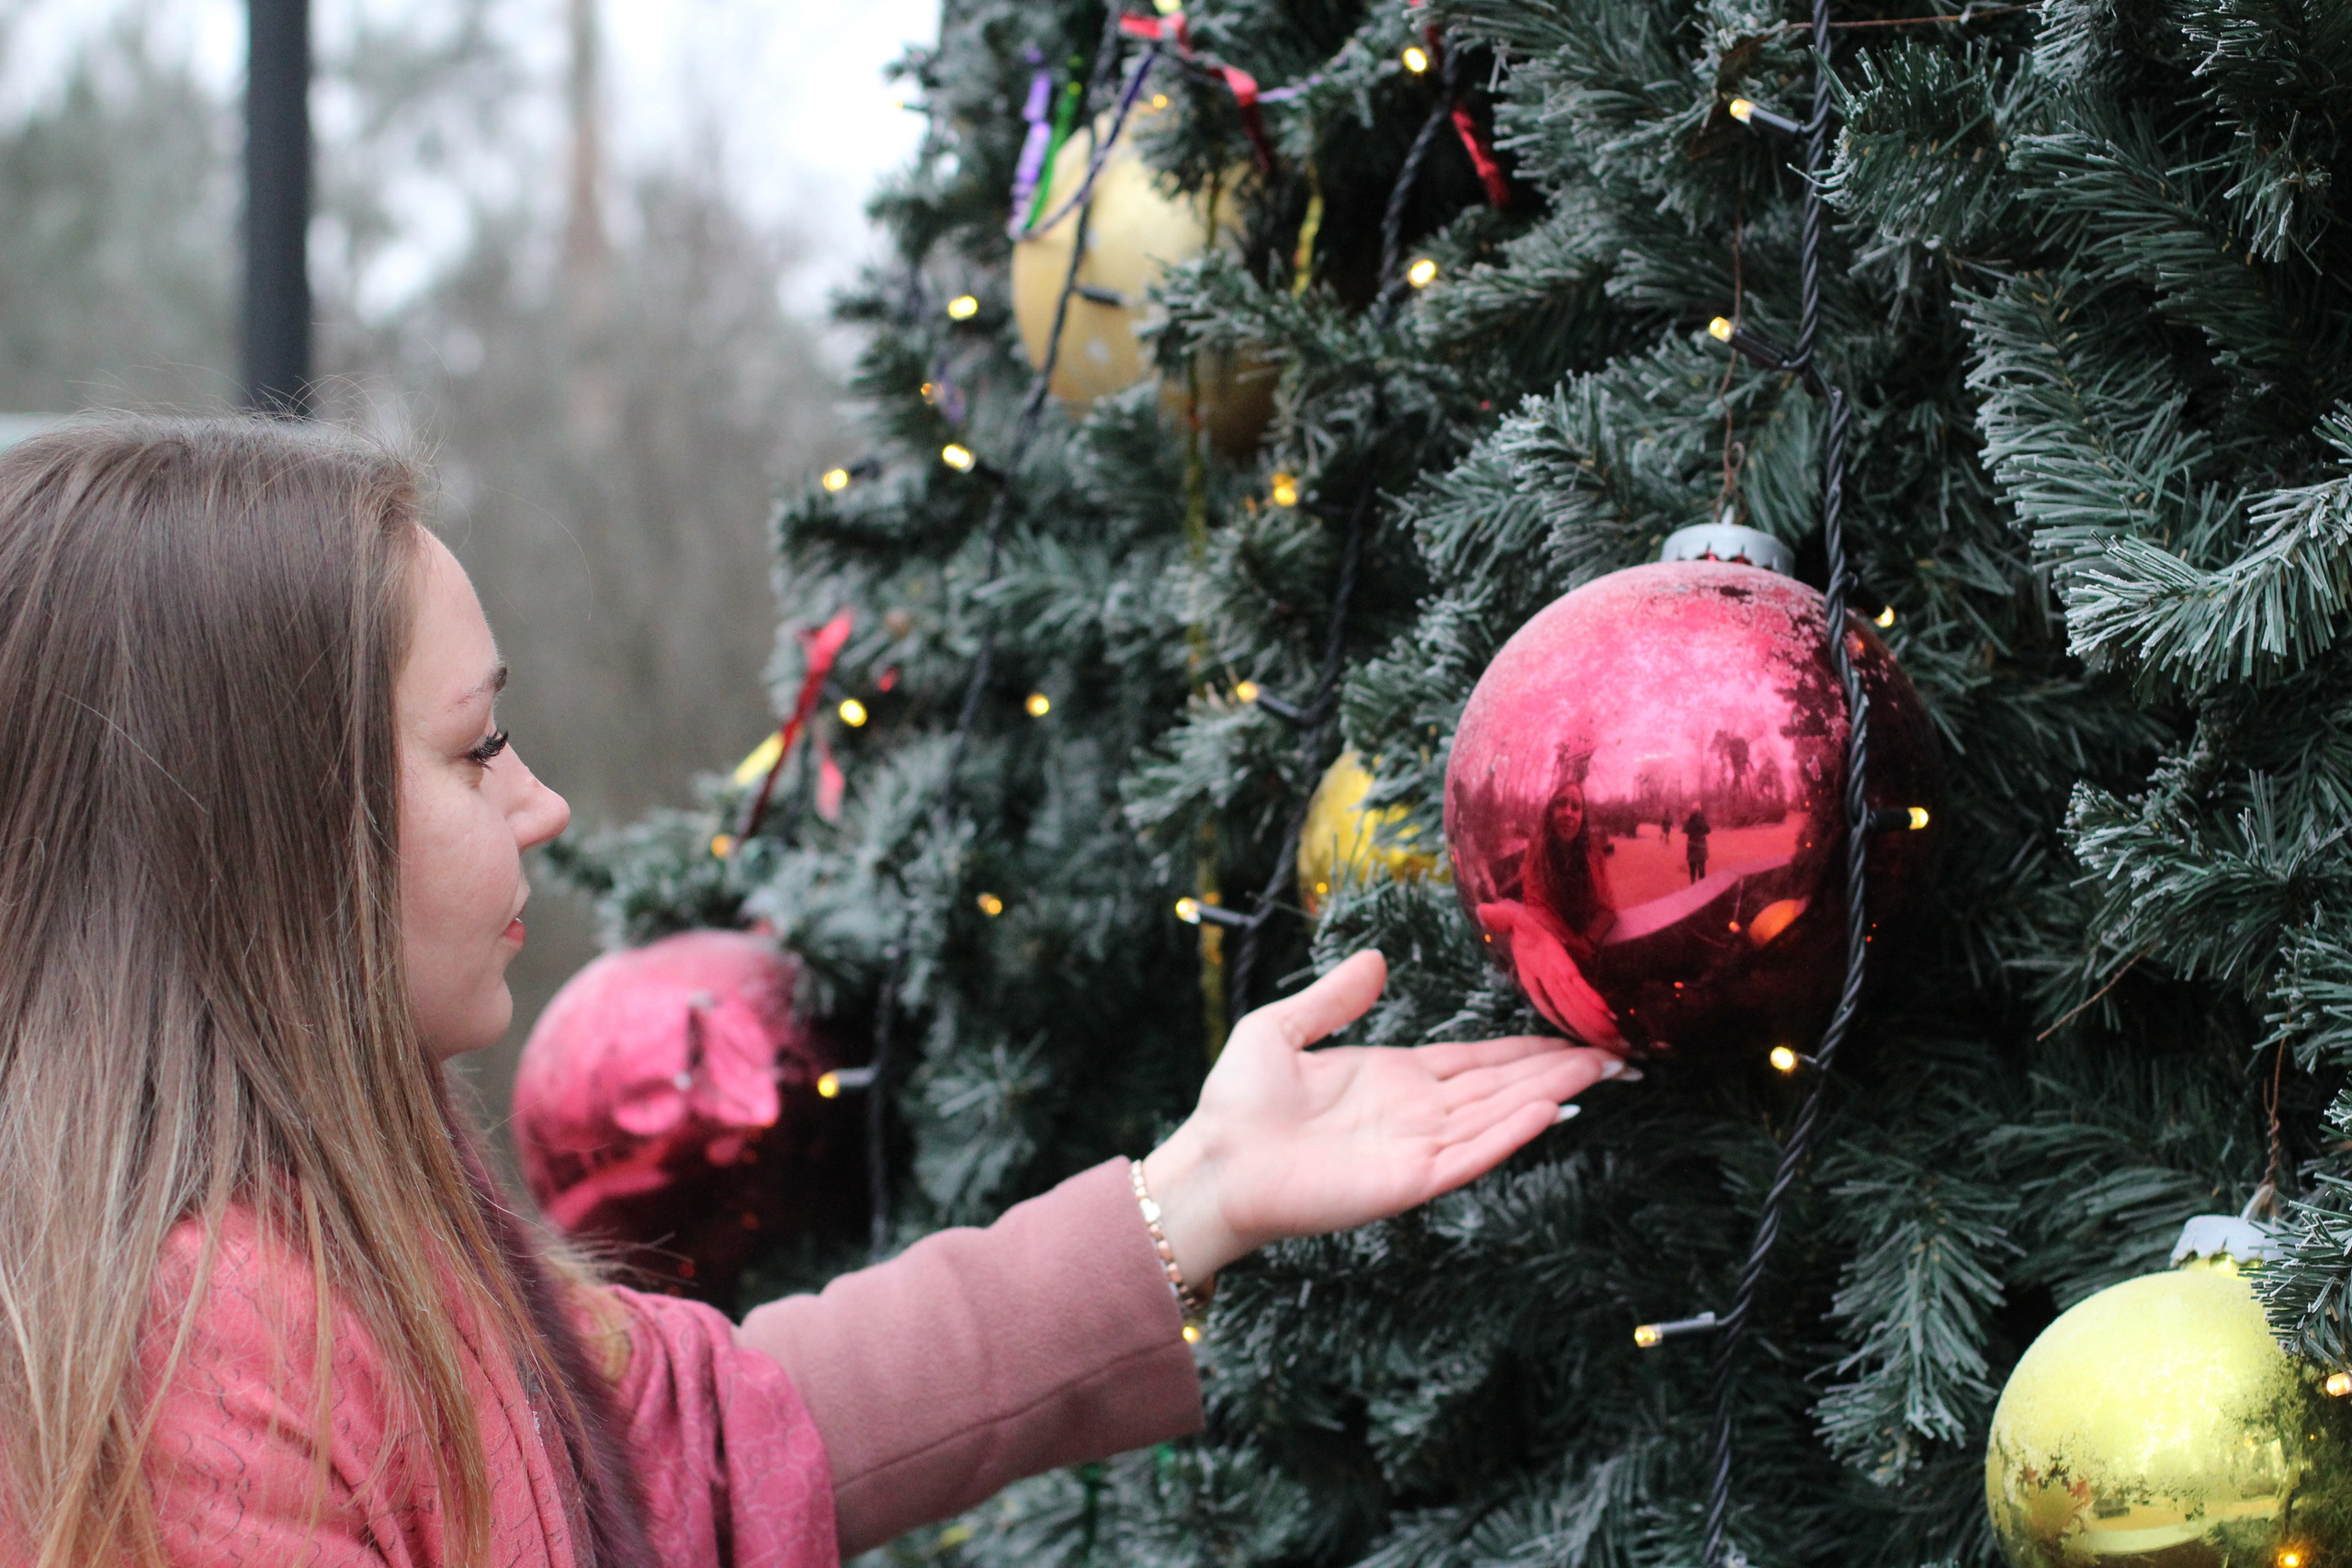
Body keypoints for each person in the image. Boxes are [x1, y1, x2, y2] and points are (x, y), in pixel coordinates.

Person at [0, 419, 1624, 1567]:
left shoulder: (329, 1260)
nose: (540, 801)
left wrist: (1197, 1188)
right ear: (265, 828)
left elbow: (715, 1438)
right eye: (474, 745)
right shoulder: (198, 1358)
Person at [1684, 807, 1713, 883]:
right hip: (1701, 846)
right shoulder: (1703, 820)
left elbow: (1684, 830)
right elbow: (1708, 830)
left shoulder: (1690, 820)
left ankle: (1693, 884)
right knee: (1701, 868)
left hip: (1692, 846)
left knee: (1692, 867)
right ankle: (1702, 886)